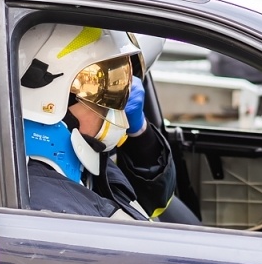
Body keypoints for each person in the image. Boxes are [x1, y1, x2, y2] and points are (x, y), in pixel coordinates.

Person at [19, 22, 177, 221]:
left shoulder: (88, 163)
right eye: (106, 96)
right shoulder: (48, 211)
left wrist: (141, 134)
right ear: (51, 100)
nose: (116, 111)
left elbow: (153, 201)